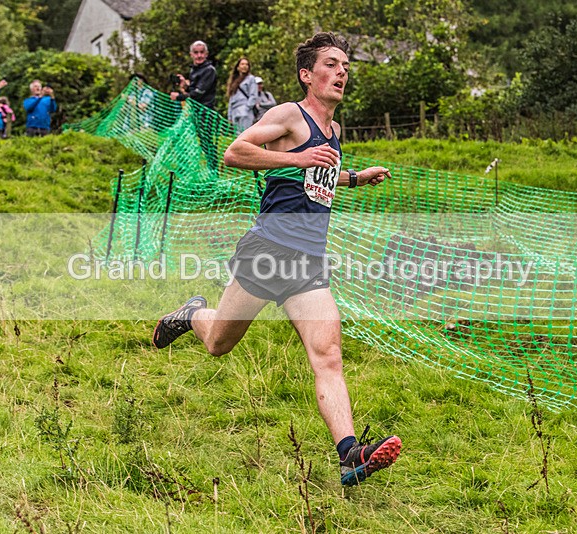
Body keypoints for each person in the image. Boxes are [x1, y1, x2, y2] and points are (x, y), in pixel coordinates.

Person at [153, 32, 400, 487]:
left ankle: (350, 454)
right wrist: (300, 158)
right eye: (331, 64)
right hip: (268, 251)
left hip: (308, 261)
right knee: (219, 343)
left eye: (345, 66)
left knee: (328, 355)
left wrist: (354, 178)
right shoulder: (289, 114)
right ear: (307, 74)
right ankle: (191, 315)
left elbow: (316, 177)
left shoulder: (335, 131)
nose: (342, 72)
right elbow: (234, 152)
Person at [169, 40, 217, 109]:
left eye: (202, 52)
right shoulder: (193, 69)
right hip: (194, 109)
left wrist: (179, 97)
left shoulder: (209, 70)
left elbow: (198, 93)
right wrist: (185, 86)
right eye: (196, 52)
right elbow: (193, 91)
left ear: (206, 54)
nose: (199, 55)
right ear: (191, 54)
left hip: (205, 110)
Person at [226, 57, 258, 132]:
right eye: (242, 64)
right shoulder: (234, 82)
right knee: (237, 135)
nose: (244, 66)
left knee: (245, 133)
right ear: (238, 67)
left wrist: (247, 108)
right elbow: (231, 99)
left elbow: (253, 95)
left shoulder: (251, 79)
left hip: (245, 109)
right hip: (235, 111)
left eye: (246, 64)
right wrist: (229, 116)